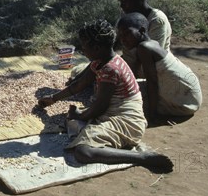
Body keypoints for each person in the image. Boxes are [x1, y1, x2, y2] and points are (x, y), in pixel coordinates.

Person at [37, 20, 173, 172]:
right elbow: (79, 85)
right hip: (114, 112)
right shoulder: (99, 61)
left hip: (128, 121)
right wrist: (53, 98)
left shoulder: (110, 69)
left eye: (84, 47)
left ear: (96, 48)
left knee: (83, 152)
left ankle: (142, 157)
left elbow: (99, 107)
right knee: (73, 122)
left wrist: (81, 115)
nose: (83, 50)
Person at [117, 12, 202, 122]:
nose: (123, 39)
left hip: (185, 103)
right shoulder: (152, 43)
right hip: (191, 95)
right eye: (121, 35)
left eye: (127, 34)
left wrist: (153, 115)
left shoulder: (144, 48)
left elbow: (152, 82)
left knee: (124, 101)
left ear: (142, 31)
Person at [115, 0, 172, 75]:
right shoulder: (126, 13)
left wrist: (128, 77)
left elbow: (151, 57)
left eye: (124, 0)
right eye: (120, 1)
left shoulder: (157, 20)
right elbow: (117, 43)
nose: (121, 5)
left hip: (151, 72)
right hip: (129, 67)